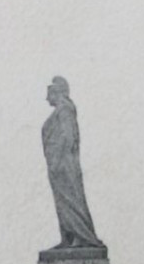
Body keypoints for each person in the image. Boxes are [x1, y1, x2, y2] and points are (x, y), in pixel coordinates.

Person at [42, 76, 104, 249]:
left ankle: (81, 236)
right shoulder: (62, 110)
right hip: (57, 163)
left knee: (71, 198)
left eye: (49, 94)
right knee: (63, 201)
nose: (47, 99)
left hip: (63, 162)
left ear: (57, 93)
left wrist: (58, 160)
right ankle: (68, 237)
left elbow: (68, 136)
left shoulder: (65, 109)